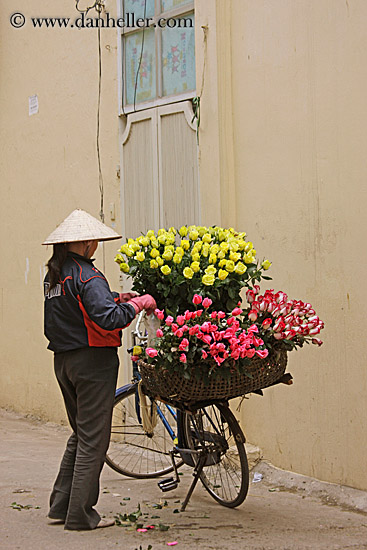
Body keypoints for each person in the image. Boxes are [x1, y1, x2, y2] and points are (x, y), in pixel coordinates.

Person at [42, 208, 156, 531]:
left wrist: (119, 297)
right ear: (87, 242)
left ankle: (61, 505)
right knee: (94, 440)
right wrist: (138, 304)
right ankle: (79, 516)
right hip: (92, 363)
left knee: (81, 434)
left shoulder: (55, 275)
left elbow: (85, 306)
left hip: (63, 362)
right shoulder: (88, 276)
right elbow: (108, 318)